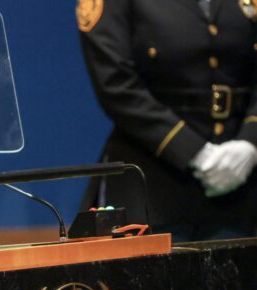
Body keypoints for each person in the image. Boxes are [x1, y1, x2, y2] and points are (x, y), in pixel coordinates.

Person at [76, 0, 257, 242]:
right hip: (154, 188)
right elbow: (116, 84)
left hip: (242, 189)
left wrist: (250, 142)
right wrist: (194, 152)